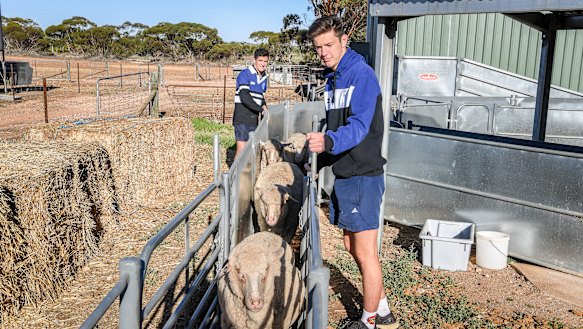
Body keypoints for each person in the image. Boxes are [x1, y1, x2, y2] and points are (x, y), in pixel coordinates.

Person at [306, 16, 398, 329]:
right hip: (345, 173)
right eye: (318, 47)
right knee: (349, 245)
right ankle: (382, 309)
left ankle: (369, 322)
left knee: (365, 249)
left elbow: (358, 127)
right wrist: (320, 162)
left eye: (329, 44)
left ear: (345, 40)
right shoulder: (333, 78)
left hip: (363, 173)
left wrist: (328, 141)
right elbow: (333, 125)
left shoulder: (362, 75)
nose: (324, 52)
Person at [232, 48, 270, 159]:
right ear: (254, 60)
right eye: (260, 61)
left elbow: (260, 97)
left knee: (250, 151)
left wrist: (265, 108)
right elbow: (245, 97)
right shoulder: (245, 74)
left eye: (265, 61)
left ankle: (246, 175)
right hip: (242, 118)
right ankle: (235, 175)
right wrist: (261, 110)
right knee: (242, 150)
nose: (263, 64)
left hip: (254, 119)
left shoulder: (263, 78)